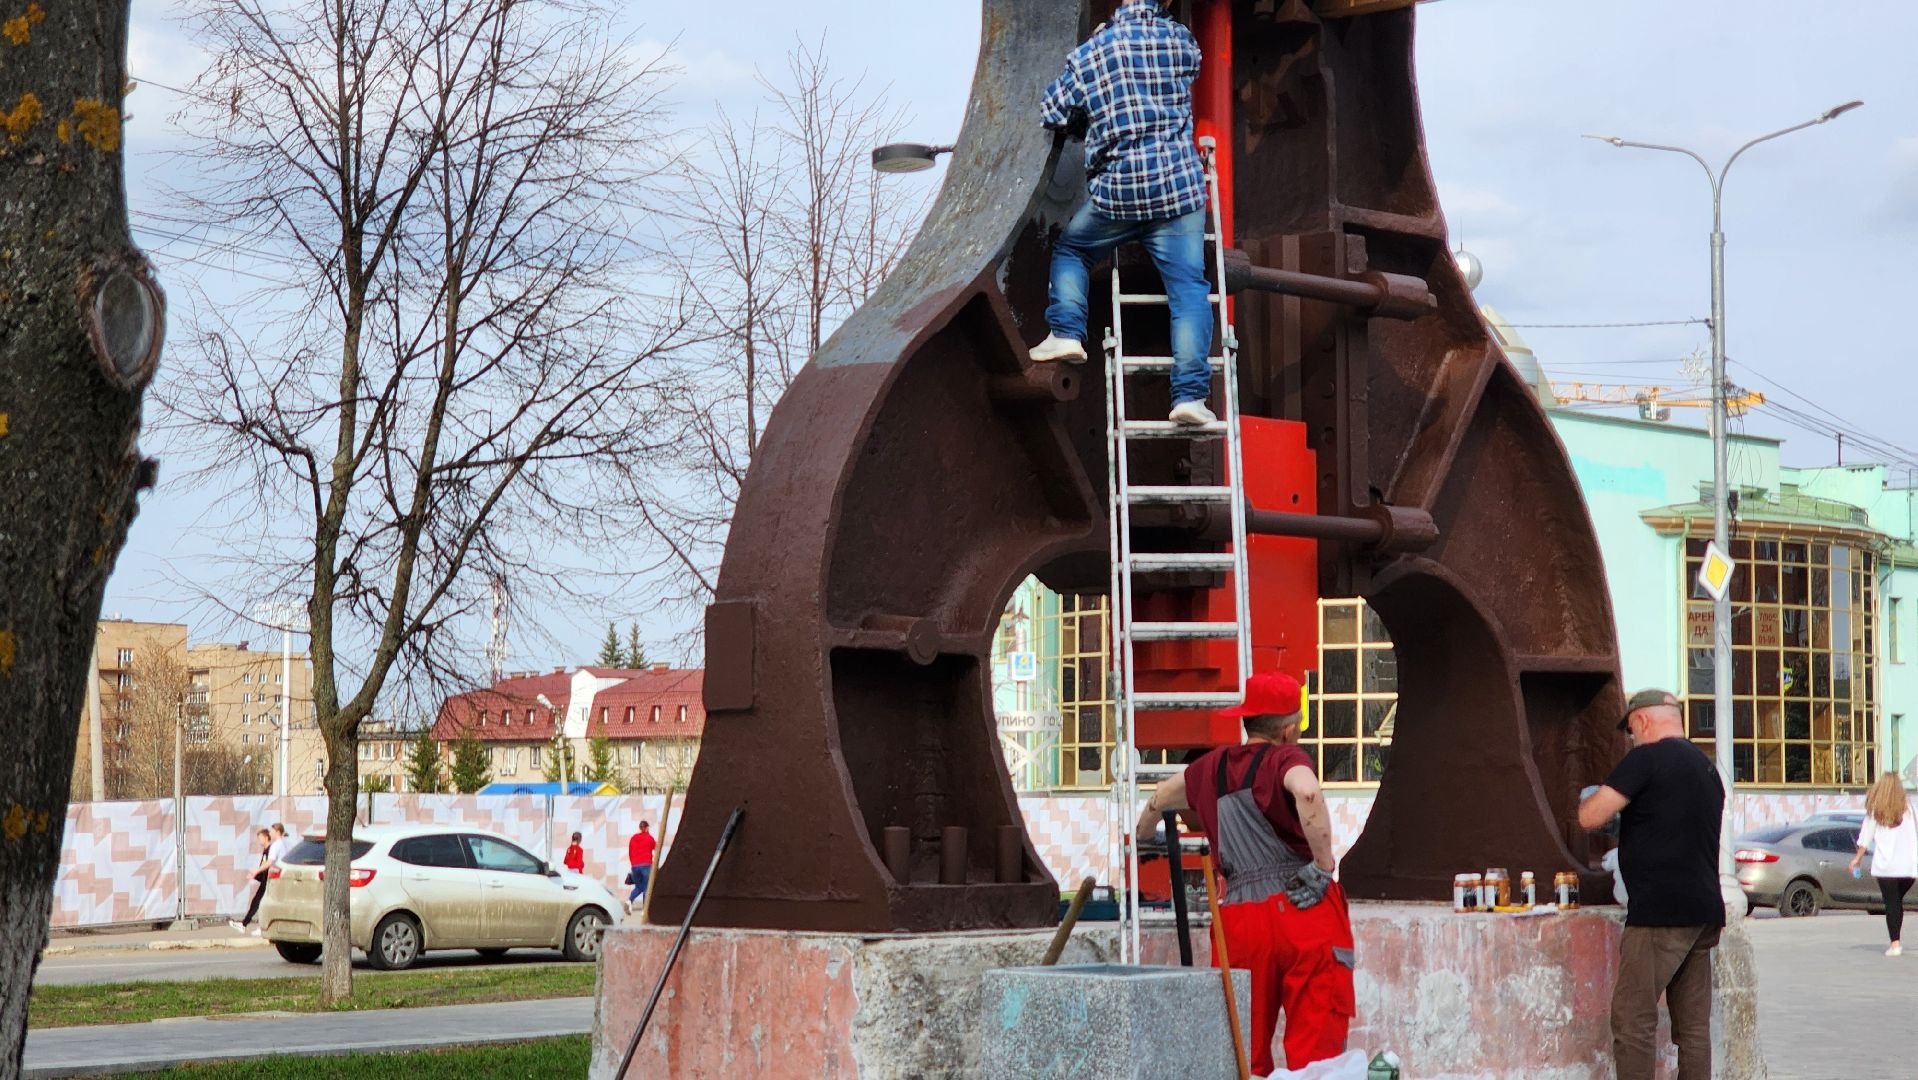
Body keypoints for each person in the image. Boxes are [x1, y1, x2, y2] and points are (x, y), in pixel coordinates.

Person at [1136, 671, 1353, 1075]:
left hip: (1238, 919)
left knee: (1241, 1053)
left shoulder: (1211, 768)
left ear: (1246, 720)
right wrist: (1323, 867)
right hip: (1303, 906)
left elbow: (1159, 797)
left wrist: (1142, 838)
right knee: (1318, 1056)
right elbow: (1306, 791)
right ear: (1288, 730)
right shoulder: (1286, 758)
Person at [1032, 0, 1218, 428]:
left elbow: (1053, 111)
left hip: (1120, 193)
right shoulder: (1179, 40)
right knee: (1189, 289)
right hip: (1177, 190)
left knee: (1072, 251)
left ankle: (1066, 333)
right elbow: (1193, 66)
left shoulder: (1091, 54)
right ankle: (1189, 397)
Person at [1578, 689, 1725, 1080]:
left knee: (1633, 1021)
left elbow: (1591, 816)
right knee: (1693, 1028)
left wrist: (1590, 799)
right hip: (1703, 912)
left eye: (1630, 730)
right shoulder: (1706, 767)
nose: (1632, 738)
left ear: (1640, 720)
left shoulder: (1645, 759)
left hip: (1659, 913)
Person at [1849, 772, 1917, 956]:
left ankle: (1895, 944)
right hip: (1908, 867)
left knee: (1892, 903)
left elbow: (1865, 837)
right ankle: (1896, 941)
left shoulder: (1875, 810)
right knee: (1896, 902)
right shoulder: (1909, 809)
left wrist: (1857, 859)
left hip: (1886, 867)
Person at [228, 828, 273, 933]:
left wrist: (256, 873)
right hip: (265, 881)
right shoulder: (266, 850)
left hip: (270, 882)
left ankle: (260, 927)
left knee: (260, 903)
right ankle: (245, 924)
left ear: (266, 837)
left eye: (260, 838)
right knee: (256, 902)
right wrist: (255, 875)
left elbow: (267, 866)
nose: (259, 840)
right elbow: (263, 868)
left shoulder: (270, 850)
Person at [627, 821, 657, 911]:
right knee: (647, 886)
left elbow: (630, 852)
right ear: (647, 827)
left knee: (639, 886)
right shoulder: (649, 838)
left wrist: (633, 864)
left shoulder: (633, 838)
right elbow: (656, 848)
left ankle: (629, 901)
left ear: (640, 828)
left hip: (635, 866)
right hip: (646, 864)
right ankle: (645, 908)